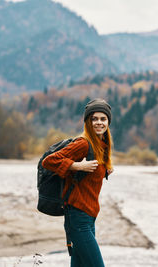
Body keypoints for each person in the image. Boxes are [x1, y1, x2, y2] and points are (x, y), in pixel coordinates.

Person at [42, 98, 113, 267]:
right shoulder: (83, 143)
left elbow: (88, 177)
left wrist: (105, 171)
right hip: (78, 217)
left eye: (103, 119)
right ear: (88, 121)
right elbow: (49, 161)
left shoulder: (102, 145)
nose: (98, 123)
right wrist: (77, 166)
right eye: (94, 119)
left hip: (89, 217)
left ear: (108, 121)